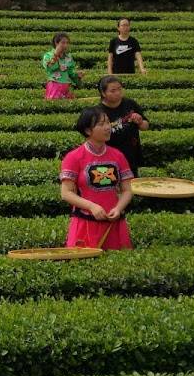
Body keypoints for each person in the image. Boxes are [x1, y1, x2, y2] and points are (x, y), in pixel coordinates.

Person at [59, 106, 134, 251]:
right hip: (85, 223)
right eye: (101, 124)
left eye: (107, 123)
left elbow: (127, 190)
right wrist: (91, 206)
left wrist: (118, 208)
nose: (107, 127)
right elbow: (66, 193)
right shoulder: (74, 157)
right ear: (88, 130)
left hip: (114, 224)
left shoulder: (118, 155)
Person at [96, 75, 148, 176]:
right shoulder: (98, 112)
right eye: (113, 90)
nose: (118, 93)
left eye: (120, 89)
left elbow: (145, 126)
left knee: (131, 184)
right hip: (109, 156)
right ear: (103, 93)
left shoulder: (130, 104)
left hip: (131, 154)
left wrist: (140, 121)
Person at [42, 33, 82, 100]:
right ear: (56, 43)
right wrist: (56, 54)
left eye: (67, 43)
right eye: (63, 43)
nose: (65, 45)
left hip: (66, 86)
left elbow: (70, 73)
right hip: (54, 85)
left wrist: (77, 75)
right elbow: (50, 68)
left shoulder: (68, 57)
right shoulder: (48, 55)